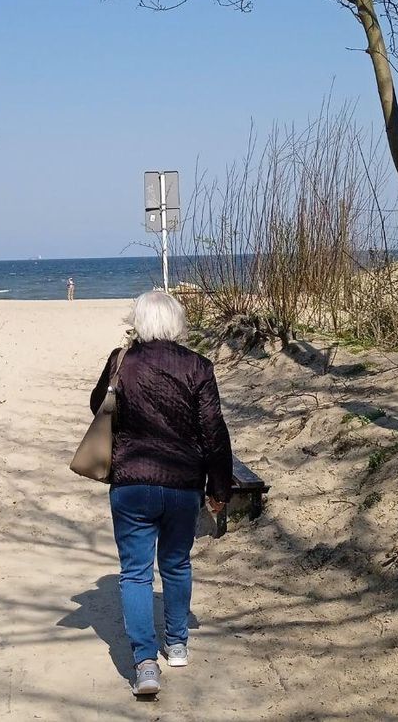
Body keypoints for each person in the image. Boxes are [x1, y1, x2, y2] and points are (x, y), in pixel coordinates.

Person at [90, 290, 232, 696]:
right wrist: (218, 487)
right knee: (176, 564)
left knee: (135, 573)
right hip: (182, 484)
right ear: (176, 323)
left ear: (138, 321)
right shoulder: (198, 366)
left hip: (131, 482)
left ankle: (145, 664)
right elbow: (213, 431)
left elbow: (97, 405)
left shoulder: (121, 362)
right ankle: (178, 643)